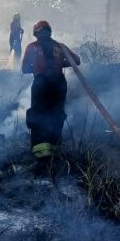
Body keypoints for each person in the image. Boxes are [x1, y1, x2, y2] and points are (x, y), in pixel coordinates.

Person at [21, 20, 80, 159]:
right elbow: (76, 61)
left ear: (36, 33)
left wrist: (36, 68)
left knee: (38, 113)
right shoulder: (60, 47)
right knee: (56, 113)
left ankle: (39, 150)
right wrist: (60, 64)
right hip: (59, 83)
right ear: (50, 32)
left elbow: (24, 69)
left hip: (41, 84)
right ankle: (55, 148)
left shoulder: (32, 47)